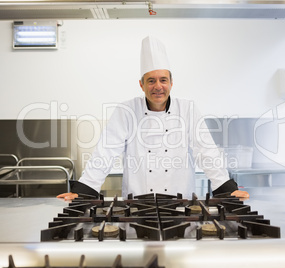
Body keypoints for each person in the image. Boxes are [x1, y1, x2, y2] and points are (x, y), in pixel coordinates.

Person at [57, 36, 249, 201]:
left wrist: (227, 189)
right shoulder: (126, 111)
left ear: (171, 83)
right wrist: (83, 191)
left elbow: (206, 151)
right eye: (151, 80)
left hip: (181, 206)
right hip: (137, 206)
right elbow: (105, 153)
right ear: (141, 85)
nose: (158, 86)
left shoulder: (187, 109)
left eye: (163, 80)